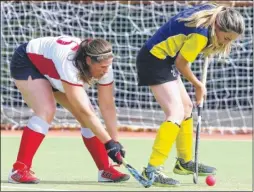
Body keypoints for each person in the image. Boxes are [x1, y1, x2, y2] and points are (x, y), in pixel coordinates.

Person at [136, 3, 245, 186]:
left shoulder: (212, 12)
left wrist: (214, 43)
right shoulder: (200, 36)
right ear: (217, 26)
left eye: (230, 41)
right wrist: (198, 85)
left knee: (187, 107)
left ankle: (184, 162)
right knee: (176, 112)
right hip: (155, 60)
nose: (226, 43)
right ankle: (152, 170)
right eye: (226, 38)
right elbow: (181, 64)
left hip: (165, 60)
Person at [8, 36, 130, 183]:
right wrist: (108, 143)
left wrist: (115, 142)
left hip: (54, 68)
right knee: (46, 110)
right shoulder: (70, 64)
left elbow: (107, 106)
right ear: (88, 61)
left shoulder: (105, 68)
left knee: (90, 117)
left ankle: (105, 170)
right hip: (29, 62)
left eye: (108, 65)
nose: (106, 70)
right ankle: (19, 170)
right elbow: (84, 111)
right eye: (102, 67)